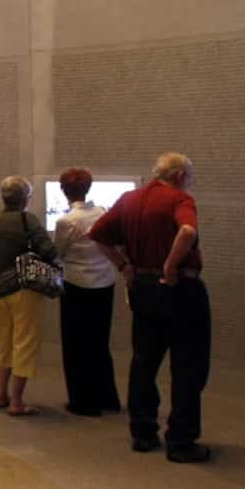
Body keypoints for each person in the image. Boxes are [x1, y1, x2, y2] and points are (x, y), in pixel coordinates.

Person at [89, 152, 210, 463]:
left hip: (142, 289)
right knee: (187, 366)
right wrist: (171, 266)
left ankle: (143, 433)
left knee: (144, 362)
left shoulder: (130, 199)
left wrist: (124, 266)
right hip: (180, 290)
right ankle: (181, 441)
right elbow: (187, 231)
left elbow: (98, 235)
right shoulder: (179, 199)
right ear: (181, 176)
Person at [0, 175, 56, 416]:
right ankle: (17, 401)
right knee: (25, 344)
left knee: (4, 344)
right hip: (23, 291)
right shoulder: (27, 220)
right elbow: (48, 251)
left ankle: (1, 395)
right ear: (25, 199)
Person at [52, 167, 121, 417]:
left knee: (76, 344)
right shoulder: (102, 212)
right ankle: (107, 396)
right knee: (99, 342)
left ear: (64, 191)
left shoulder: (66, 221)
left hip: (77, 284)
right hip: (105, 282)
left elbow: (59, 251)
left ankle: (83, 402)